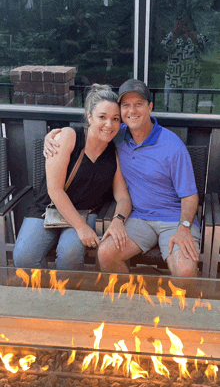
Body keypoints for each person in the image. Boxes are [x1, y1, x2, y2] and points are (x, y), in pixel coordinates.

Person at [44, 79, 200, 277]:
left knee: (185, 272)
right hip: (139, 218)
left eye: (138, 104)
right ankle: (129, 297)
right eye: (126, 105)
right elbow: (92, 130)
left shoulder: (173, 146)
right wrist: (52, 137)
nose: (132, 111)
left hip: (174, 219)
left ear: (150, 107)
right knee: (106, 254)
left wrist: (184, 227)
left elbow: (190, 196)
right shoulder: (117, 134)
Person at [13, 84, 131, 270]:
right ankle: (40, 295)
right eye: (102, 117)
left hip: (87, 212)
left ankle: (68, 297)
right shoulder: (69, 136)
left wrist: (118, 220)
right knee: (24, 257)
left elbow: (123, 196)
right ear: (89, 116)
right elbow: (55, 189)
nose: (109, 124)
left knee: (70, 255)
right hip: (48, 208)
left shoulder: (113, 152)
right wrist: (81, 228)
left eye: (115, 119)